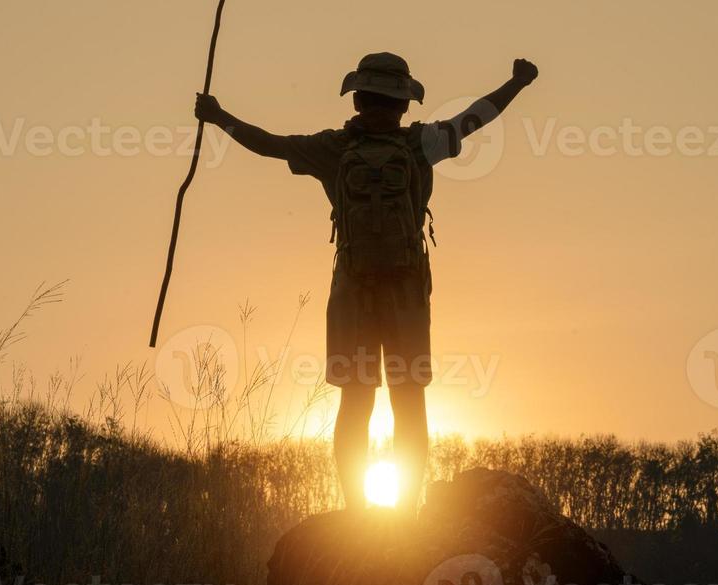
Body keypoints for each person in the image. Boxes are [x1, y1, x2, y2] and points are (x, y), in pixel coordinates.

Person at [194, 52, 540, 512]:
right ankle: (408, 512)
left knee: (356, 402)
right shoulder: (422, 145)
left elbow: (266, 144)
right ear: (404, 103)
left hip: (352, 290)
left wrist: (218, 117)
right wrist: (517, 83)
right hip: (407, 293)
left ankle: (357, 509)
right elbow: (476, 117)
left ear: (356, 97)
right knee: (409, 401)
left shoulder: (333, 149)